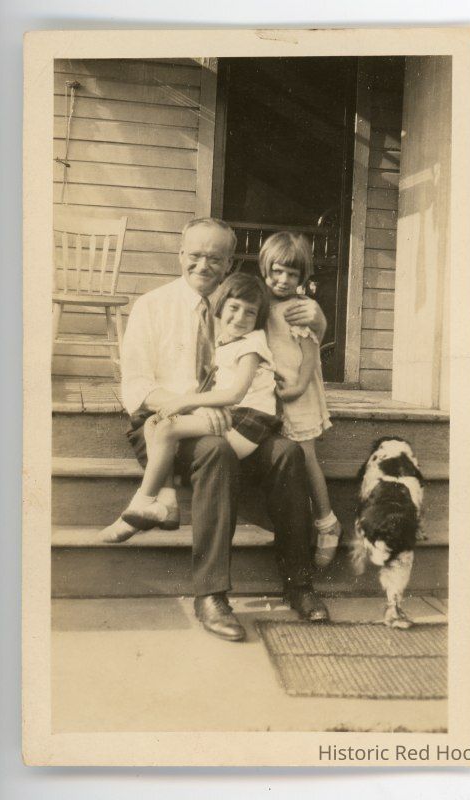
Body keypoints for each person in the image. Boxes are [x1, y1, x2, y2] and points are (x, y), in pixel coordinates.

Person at [101, 218, 330, 642]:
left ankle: (299, 583)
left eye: (215, 258)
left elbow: (297, 328)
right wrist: (195, 405)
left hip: (232, 420)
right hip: (167, 424)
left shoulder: (246, 304)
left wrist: (318, 320)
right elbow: (136, 388)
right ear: (180, 255)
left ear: (229, 263)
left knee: (287, 452)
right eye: (195, 255)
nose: (203, 265)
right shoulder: (152, 306)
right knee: (215, 451)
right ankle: (211, 594)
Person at [118, 273, 281, 532]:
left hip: (248, 423)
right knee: (152, 423)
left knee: (167, 428)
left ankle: (144, 501)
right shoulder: (229, 340)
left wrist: (187, 402)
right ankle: (168, 503)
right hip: (234, 416)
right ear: (221, 307)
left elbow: (236, 394)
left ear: (258, 318)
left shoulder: (252, 346)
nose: (240, 318)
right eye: (234, 308)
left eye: (250, 313)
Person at [259, 231, 342, 568]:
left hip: (297, 392)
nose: (283, 280)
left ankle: (327, 521)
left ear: (302, 277)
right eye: (277, 271)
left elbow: (310, 356)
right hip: (269, 393)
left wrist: (297, 389)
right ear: (265, 268)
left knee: (306, 457)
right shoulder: (259, 302)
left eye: (291, 274)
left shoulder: (298, 309)